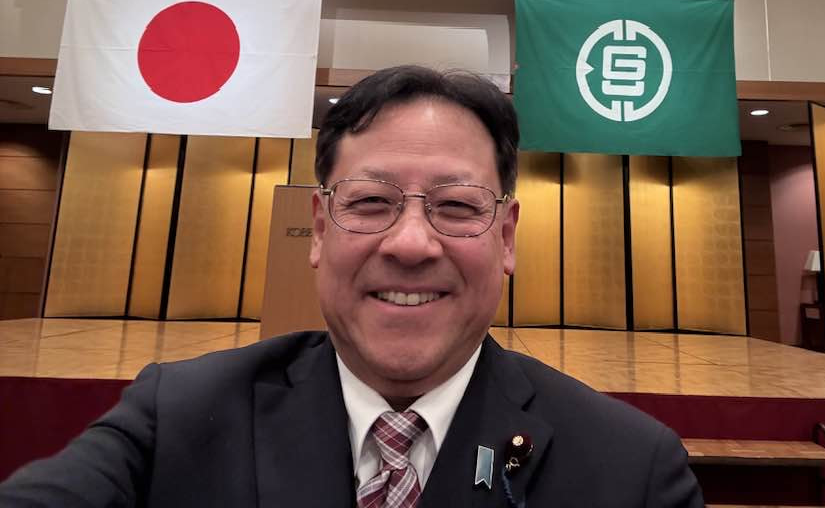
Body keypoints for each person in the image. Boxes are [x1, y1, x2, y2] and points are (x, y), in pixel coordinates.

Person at [0, 65, 703, 507]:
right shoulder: (175, 416)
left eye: (457, 206)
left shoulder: (632, 469)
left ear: (507, 236)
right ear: (319, 227)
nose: (410, 243)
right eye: (370, 202)